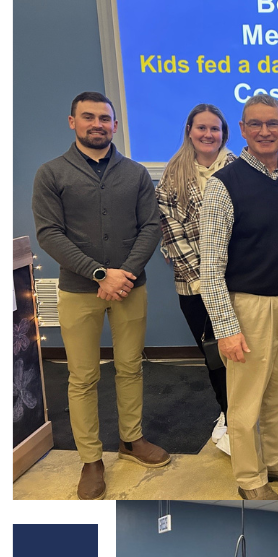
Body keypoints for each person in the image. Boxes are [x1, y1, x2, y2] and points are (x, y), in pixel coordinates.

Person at [32, 91, 168, 500]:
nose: (97, 124)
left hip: (130, 286)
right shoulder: (51, 173)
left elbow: (152, 226)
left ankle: (131, 439)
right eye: (88, 117)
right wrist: (97, 274)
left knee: (130, 367)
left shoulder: (136, 173)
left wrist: (123, 274)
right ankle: (90, 459)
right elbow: (49, 234)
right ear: (72, 121)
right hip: (78, 291)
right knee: (83, 376)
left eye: (104, 119)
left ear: (114, 125)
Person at [200, 94, 278, 500]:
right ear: (243, 129)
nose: (265, 131)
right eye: (256, 124)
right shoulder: (223, 185)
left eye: (273, 124)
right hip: (247, 306)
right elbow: (210, 266)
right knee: (247, 401)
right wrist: (226, 329)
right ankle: (251, 479)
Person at [156, 103, 235, 455]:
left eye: (214, 129)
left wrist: (226, 278)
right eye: (201, 128)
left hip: (238, 283)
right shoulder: (171, 176)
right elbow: (170, 234)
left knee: (241, 355)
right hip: (194, 287)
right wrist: (208, 282)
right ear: (189, 130)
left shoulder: (240, 169)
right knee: (215, 356)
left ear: (224, 134)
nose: (208, 134)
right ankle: (229, 415)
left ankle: (244, 416)